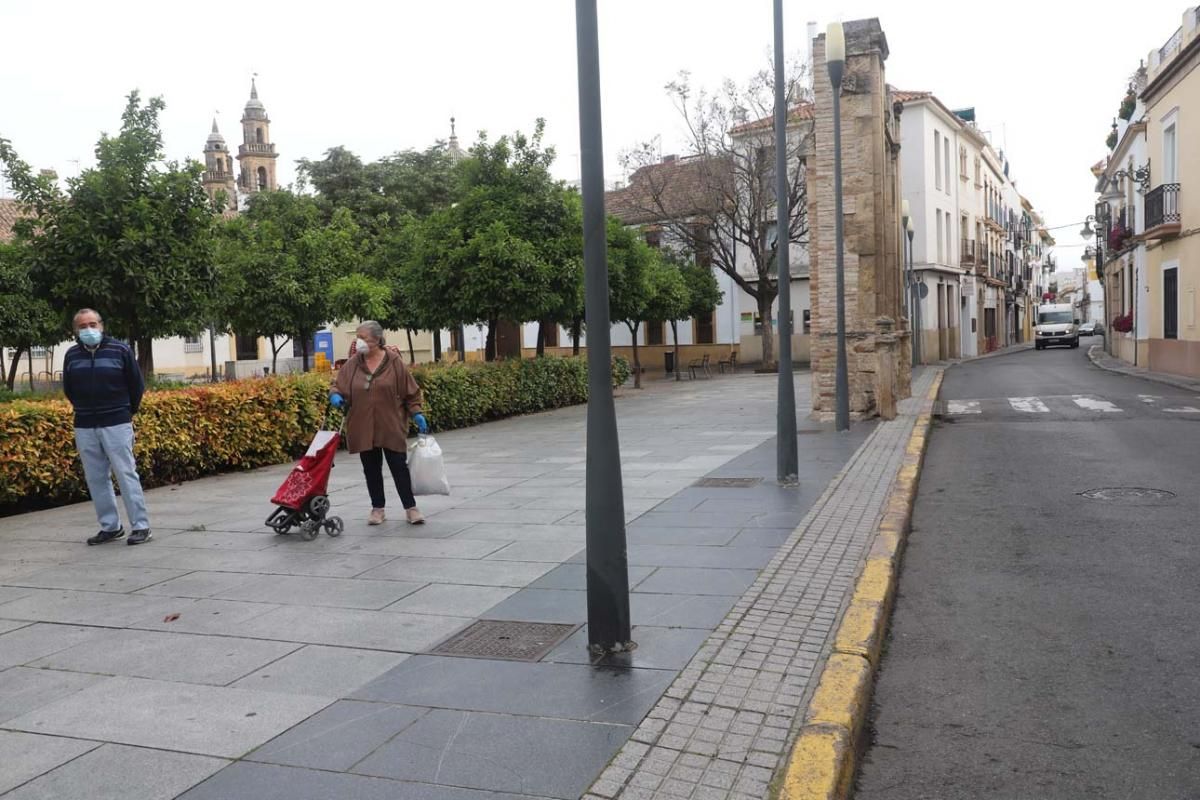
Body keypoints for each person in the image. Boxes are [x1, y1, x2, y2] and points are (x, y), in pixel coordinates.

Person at [62, 309, 152, 545]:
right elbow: (69, 389)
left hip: (117, 422)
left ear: (102, 325)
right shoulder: (71, 355)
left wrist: (125, 411)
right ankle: (110, 527)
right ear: (75, 331)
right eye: (83, 326)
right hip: (85, 425)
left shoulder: (120, 350)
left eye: (92, 324)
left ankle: (141, 526)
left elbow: (136, 385)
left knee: (125, 473)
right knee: (95, 477)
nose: (88, 329)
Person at [330, 321, 429, 525]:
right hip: (363, 425)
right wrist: (335, 395)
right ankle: (377, 509)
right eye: (357, 337)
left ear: (376, 339)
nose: (359, 342)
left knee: (398, 466)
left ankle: (411, 508)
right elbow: (337, 385)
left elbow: (411, 392)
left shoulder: (394, 362)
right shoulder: (353, 363)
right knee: (371, 468)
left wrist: (416, 413)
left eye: (363, 337)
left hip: (391, 424)